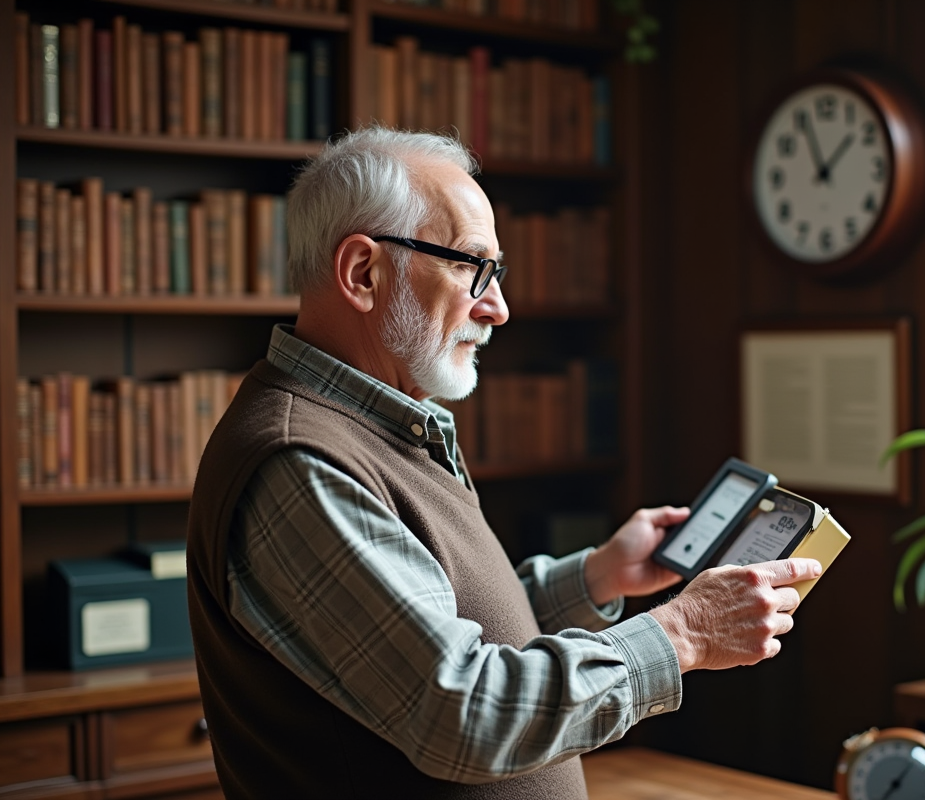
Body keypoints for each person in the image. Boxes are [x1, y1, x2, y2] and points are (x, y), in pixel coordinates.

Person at [186, 126, 821, 800]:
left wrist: (598, 575)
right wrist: (682, 632)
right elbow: (461, 713)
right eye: (470, 267)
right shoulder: (299, 463)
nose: (498, 307)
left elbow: (441, 628)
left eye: (496, 272)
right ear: (362, 274)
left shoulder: (375, 425)